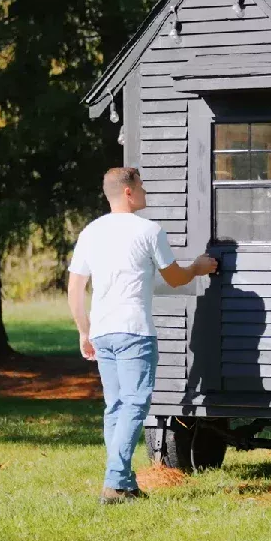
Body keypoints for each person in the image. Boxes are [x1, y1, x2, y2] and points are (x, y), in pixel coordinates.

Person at [66, 166, 218, 505]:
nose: (146, 193)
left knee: (116, 407)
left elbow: (75, 287)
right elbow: (177, 278)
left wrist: (83, 330)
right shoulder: (149, 230)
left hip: (103, 331)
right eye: (143, 188)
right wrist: (198, 267)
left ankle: (125, 484)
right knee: (134, 405)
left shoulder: (91, 231)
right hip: (134, 331)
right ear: (129, 192)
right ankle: (114, 483)